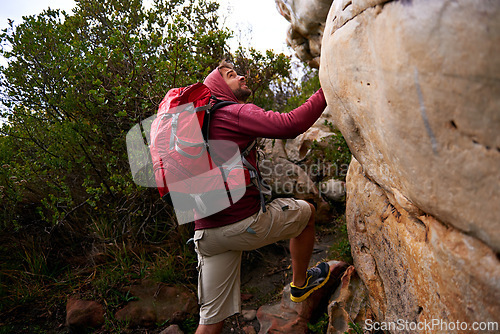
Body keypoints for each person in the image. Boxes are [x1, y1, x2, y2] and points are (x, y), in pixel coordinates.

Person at [193, 60, 330, 334]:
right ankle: (300, 286)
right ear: (220, 86)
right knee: (308, 214)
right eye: (232, 76)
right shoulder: (232, 112)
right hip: (242, 224)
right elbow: (292, 124)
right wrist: (328, 88)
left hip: (206, 235)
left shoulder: (201, 124)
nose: (242, 77)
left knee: (210, 324)